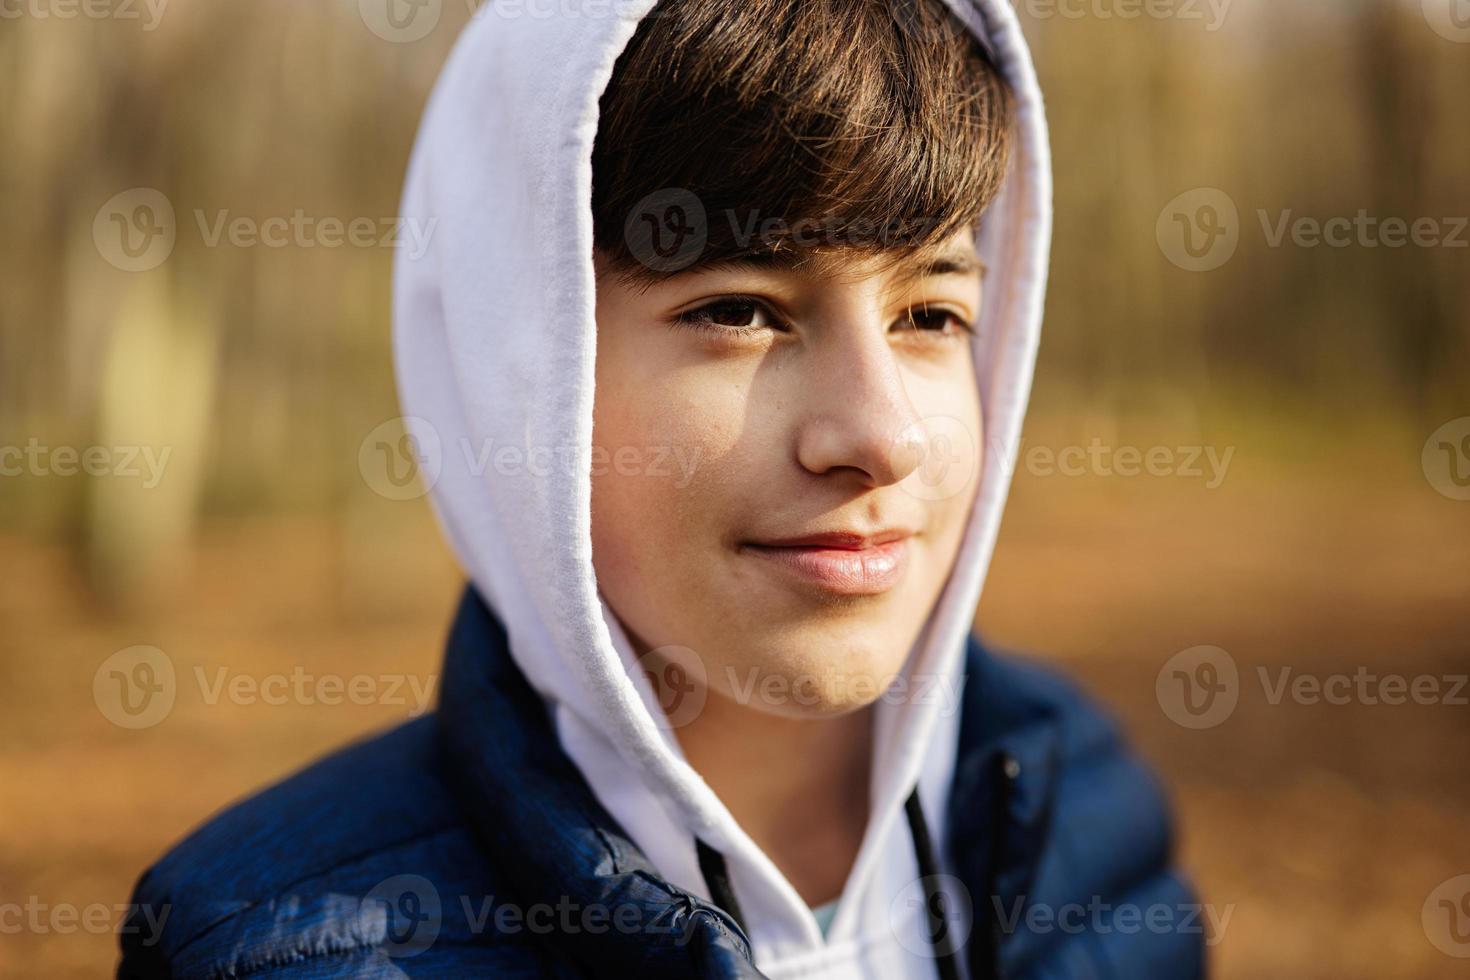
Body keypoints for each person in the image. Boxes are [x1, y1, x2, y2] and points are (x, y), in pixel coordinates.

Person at [119, 1, 1204, 977]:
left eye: (931, 314)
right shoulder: (278, 948)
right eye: (739, 309)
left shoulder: (1088, 825)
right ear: (516, 362)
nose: (881, 436)